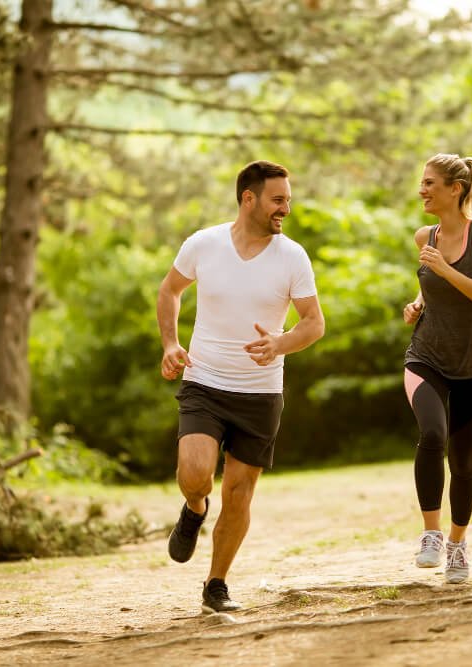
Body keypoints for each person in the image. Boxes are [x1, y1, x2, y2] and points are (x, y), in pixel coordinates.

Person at [156, 160, 325, 613]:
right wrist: (171, 343)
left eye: (288, 199)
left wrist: (281, 343)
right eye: (277, 199)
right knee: (195, 474)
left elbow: (314, 323)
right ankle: (194, 508)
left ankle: (216, 584)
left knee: (238, 492)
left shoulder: (293, 257)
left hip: (261, 392)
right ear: (248, 198)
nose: (285, 208)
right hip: (205, 381)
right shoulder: (204, 244)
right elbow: (170, 290)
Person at [401, 153, 472, 584]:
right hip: (427, 354)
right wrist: (418, 303)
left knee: (462, 461)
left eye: (429, 183)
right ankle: (431, 535)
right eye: (422, 182)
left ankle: (458, 544)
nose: (422, 190)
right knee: (431, 434)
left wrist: (445, 269)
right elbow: (431, 287)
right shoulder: (423, 235)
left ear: (454, 189)